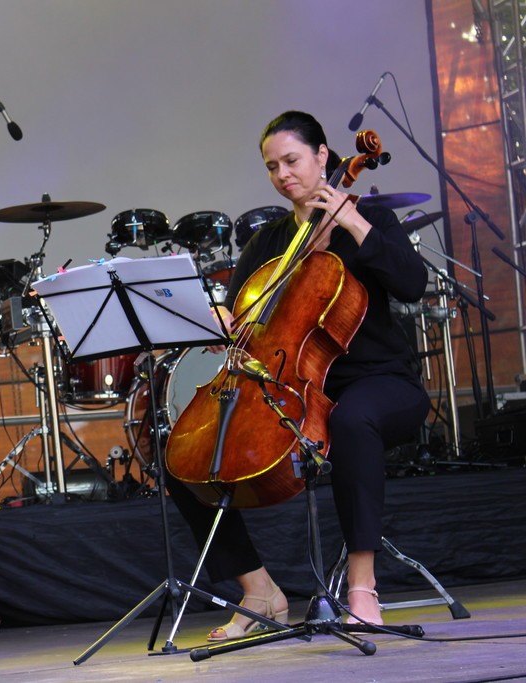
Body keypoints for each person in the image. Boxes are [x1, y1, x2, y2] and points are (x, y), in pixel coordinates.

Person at [166, 110, 430, 640]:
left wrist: (353, 223)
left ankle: (362, 588)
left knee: (352, 420)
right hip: (289, 387)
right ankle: (259, 589)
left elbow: (412, 284)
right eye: (272, 167)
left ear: (323, 156)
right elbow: (240, 320)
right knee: (183, 455)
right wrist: (214, 318)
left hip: (377, 381)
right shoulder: (267, 243)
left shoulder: (372, 221)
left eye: (291, 161)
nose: (282, 174)